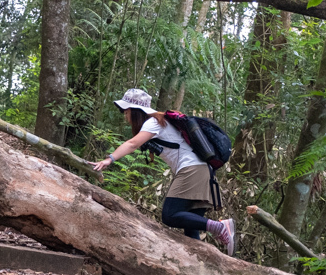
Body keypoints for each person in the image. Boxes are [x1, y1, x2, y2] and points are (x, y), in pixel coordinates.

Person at [93, 88, 235, 256]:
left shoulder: (153, 123)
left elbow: (132, 144)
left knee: (170, 215)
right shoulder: (161, 121)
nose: (125, 115)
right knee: (191, 230)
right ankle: (202, 266)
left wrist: (109, 159)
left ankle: (219, 227)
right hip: (204, 171)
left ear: (136, 110)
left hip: (192, 170)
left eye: (126, 111)